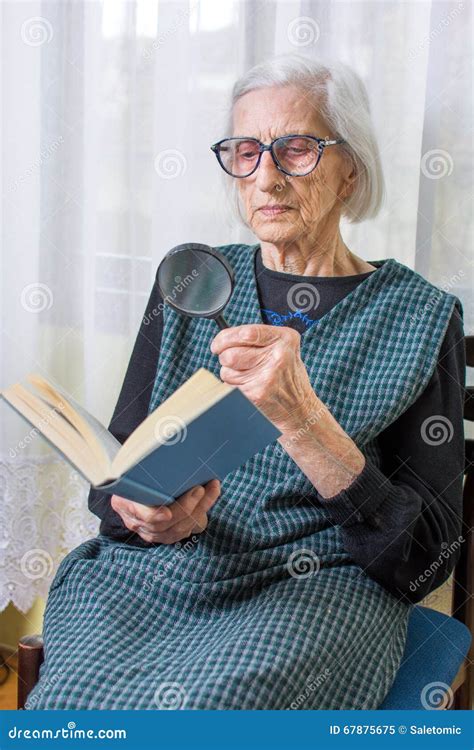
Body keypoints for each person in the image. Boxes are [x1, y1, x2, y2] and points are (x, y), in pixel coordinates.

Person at [27, 54, 465, 711]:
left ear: (351, 169)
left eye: (295, 149)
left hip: (315, 587)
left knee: (217, 708)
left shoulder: (422, 316)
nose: (266, 177)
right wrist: (143, 515)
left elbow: (424, 559)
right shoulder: (188, 283)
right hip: (159, 572)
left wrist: (305, 420)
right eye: (244, 151)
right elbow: (115, 480)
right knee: (74, 701)